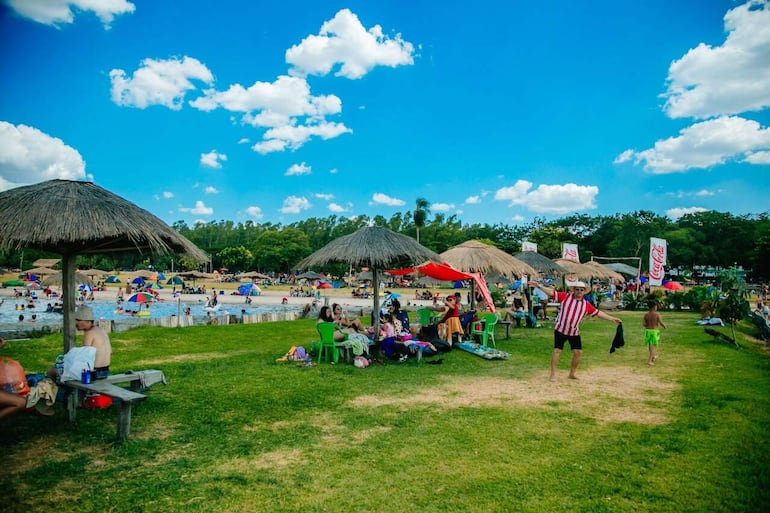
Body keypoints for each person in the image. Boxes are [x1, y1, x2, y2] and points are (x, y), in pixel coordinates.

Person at [529, 279, 621, 382]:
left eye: (581, 290)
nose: (579, 291)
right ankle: (553, 374)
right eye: (577, 289)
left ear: (584, 291)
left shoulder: (586, 305)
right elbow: (552, 293)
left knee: (578, 352)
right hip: (561, 329)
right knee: (557, 351)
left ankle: (572, 374)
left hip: (573, 332)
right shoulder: (565, 297)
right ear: (574, 290)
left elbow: (598, 313)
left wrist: (612, 319)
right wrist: (539, 286)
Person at [75, 306, 112, 380]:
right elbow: (110, 351)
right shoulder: (101, 330)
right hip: (105, 370)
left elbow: (84, 356)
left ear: (88, 321)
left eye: (79, 320)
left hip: (95, 372)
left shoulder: (89, 333)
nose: (76, 323)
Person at [643, 300, 667, 366]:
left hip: (647, 331)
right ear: (654, 307)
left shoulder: (646, 315)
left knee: (650, 345)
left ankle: (653, 356)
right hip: (654, 331)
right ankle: (650, 360)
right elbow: (661, 322)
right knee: (652, 346)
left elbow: (644, 324)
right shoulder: (657, 314)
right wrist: (664, 326)